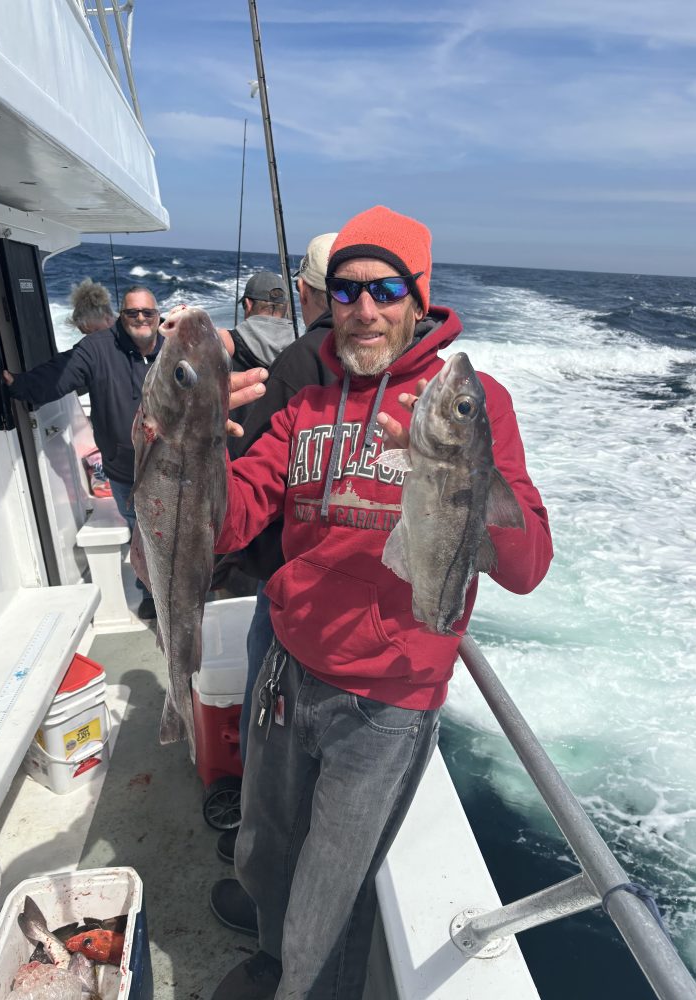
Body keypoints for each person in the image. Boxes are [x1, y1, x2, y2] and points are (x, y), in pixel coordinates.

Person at [210, 205, 554, 1000]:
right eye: (347, 290)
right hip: (288, 669)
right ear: (326, 299)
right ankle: (270, 959)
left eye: (386, 288)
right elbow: (230, 520)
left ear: (418, 298)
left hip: (387, 701)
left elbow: (528, 564)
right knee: (266, 848)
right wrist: (184, 447)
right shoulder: (305, 402)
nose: (364, 308)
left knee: (334, 894)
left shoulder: (473, 404)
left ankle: (307, 988)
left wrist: (455, 471)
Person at [210, 232, 338, 874]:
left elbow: (243, 480)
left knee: (269, 733)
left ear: (305, 292)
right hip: (345, 612)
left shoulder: (293, 363)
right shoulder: (390, 378)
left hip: (281, 581)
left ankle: (262, 857)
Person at [3, 285, 163, 620]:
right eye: (132, 312)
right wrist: (18, 384)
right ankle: (150, 592)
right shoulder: (96, 349)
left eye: (147, 312)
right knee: (141, 533)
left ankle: (183, 590)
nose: (140, 318)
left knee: (174, 531)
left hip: (169, 470)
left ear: (157, 315)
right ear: (120, 316)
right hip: (125, 473)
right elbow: (60, 373)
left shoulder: (171, 347)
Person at [224, 270, 297, 429]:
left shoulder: (227, 343)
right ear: (285, 308)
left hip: (234, 444)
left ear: (248, 304)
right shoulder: (300, 349)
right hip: (278, 447)